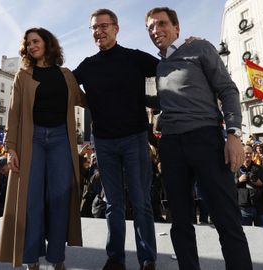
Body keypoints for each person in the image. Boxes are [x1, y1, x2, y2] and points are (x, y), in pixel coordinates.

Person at [145, 7, 252, 270]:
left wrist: (234, 134)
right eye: (150, 27)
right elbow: (152, 103)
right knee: (180, 223)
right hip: (171, 145)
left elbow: (228, 90)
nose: (156, 30)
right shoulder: (157, 67)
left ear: (177, 28)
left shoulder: (200, 48)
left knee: (226, 219)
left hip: (206, 140)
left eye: (161, 24)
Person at [73, 9, 158, 270]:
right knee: (113, 204)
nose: (98, 31)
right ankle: (115, 258)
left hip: (134, 139)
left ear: (116, 28)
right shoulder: (88, 65)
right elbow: (64, 85)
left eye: (103, 26)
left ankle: (147, 259)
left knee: (141, 201)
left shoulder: (134, 58)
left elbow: (168, 67)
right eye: (94, 28)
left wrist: (154, 103)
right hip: (104, 143)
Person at [0, 27, 85, 270]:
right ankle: (31, 258)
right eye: (27, 43)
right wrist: (10, 146)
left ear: (47, 43)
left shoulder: (66, 75)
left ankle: (57, 258)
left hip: (61, 140)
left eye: (35, 41)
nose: (31, 46)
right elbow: (13, 113)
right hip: (31, 139)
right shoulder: (23, 76)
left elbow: (87, 100)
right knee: (31, 199)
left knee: (59, 198)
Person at [236, 146, 263, 226]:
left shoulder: (259, 169)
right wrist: (238, 180)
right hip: (244, 208)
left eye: (250, 153)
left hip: (260, 208)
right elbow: (228, 186)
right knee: (246, 234)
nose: (248, 155)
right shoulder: (236, 169)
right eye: (246, 153)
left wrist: (261, 183)